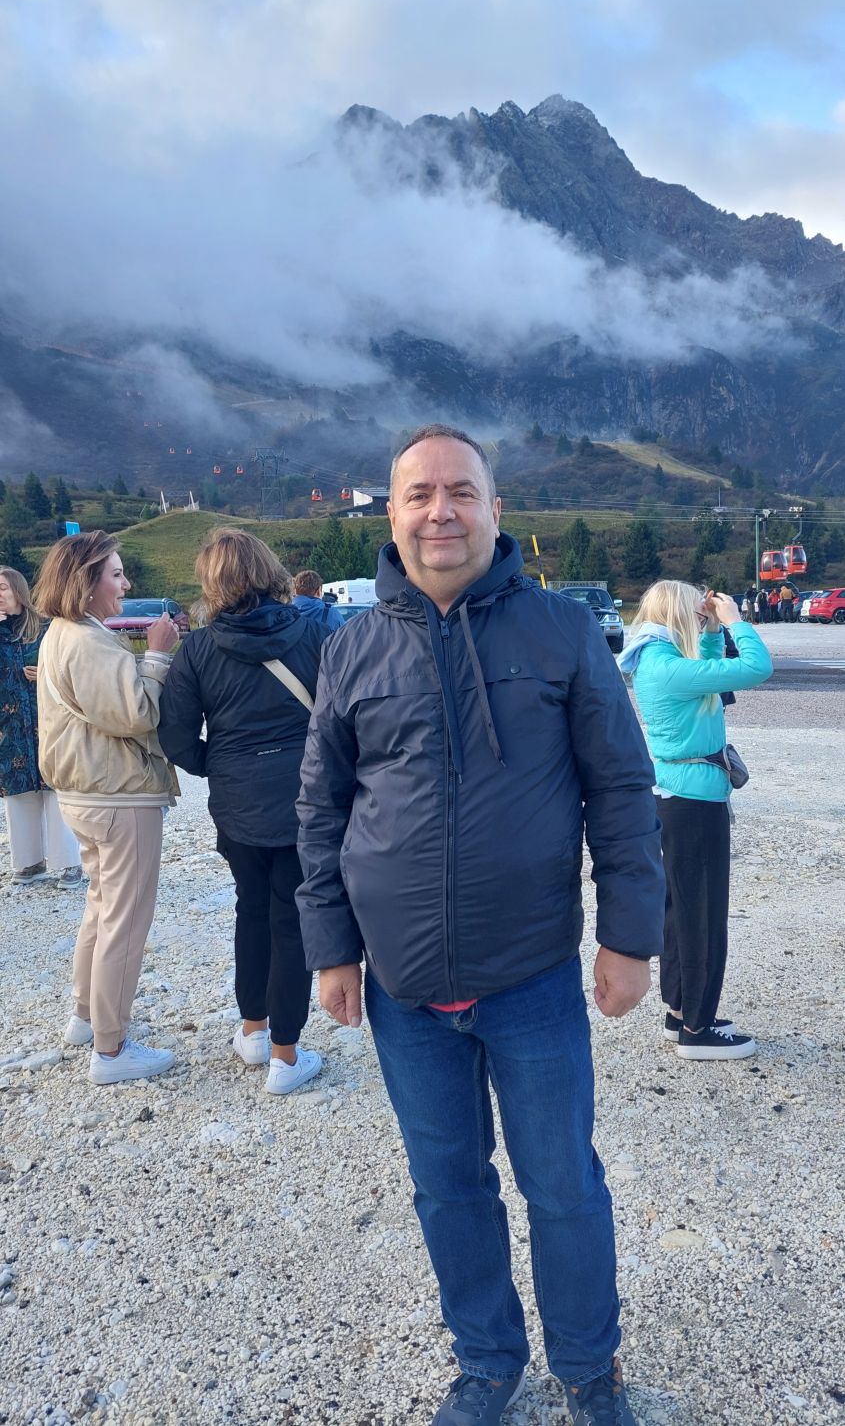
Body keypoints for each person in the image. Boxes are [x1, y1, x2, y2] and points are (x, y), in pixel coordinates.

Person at [296, 425, 665, 1426]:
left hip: (530, 977)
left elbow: (620, 789)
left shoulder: (560, 631)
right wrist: (331, 949)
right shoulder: (351, 648)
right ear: (391, 513)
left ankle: (587, 1367)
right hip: (402, 987)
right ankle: (487, 1362)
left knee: (562, 1185)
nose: (440, 512)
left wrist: (628, 936)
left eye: (460, 491)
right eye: (418, 494)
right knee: (448, 1189)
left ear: (495, 511)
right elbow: (321, 810)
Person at [158, 529, 330, 1095]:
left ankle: (254, 1028)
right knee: (292, 919)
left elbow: (175, 736)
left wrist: (219, 764)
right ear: (269, 569)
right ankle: (286, 1055)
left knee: (250, 910)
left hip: (237, 802)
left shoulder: (199, 650)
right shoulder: (316, 632)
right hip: (307, 795)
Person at [34, 531, 180, 1085]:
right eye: (115, 574)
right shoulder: (87, 640)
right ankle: (112, 1049)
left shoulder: (62, 632)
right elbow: (137, 714)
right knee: (125, 920)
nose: (126, 583)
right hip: (119, 795)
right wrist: (158, 653)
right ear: (86, 581)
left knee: (101, 908)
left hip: (87, 794)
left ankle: (85, 1017)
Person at [619, 581, 772, 1061]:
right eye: (696, 613)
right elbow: (757, 667)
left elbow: (708, 671)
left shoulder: (658, 658)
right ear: (679, 614)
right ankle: (698, 1031)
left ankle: (681, 1012)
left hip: (678, 797)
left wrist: (708, 633)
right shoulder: (668, 668)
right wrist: (734, 622)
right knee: (702, 913)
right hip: (693, 803)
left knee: (681, 910)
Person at [0, 566, 82, 888]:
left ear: (18, 591)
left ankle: (69, 862)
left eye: (2, 588)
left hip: (48, 721)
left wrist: (46, 676)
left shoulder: (46, 628)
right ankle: (29, 862)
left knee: (56, 789)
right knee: (18, 793)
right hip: (9, 727)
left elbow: (70, 667)